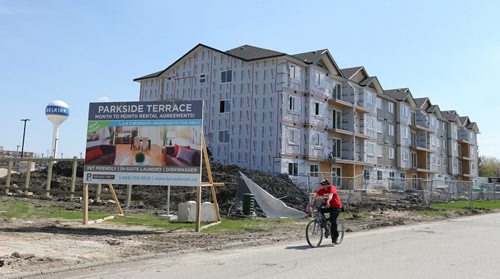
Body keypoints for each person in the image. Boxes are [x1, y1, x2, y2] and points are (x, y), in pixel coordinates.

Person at [308, 179, 343, 244]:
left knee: (333, 221)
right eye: (322, 184)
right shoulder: (322, 190)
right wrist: (312, 203)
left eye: (324, 184)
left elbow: (330, 195)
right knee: (320, 211)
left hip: (336, 206)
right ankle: (326, 227)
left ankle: (335, 237)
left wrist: (328, 201)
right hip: (328, 206)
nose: (323, 186)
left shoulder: (332, 188)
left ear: (328, 184)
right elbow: (316, 194)